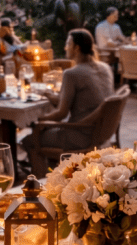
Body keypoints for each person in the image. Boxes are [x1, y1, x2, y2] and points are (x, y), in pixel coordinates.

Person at [21, 29, 114, 176]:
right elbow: (84, 99)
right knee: (45, 131)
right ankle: (57, 174)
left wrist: (37, 121)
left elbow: (61, 114)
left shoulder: (72, 73)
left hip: (80, 135)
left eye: (67, 44)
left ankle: (41, 186)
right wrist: (54, 96)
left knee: (30, 140)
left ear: (76, 48)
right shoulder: (105, 68)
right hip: (101, 132)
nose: (65, 47)